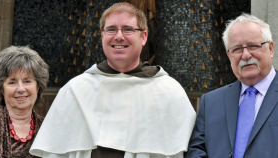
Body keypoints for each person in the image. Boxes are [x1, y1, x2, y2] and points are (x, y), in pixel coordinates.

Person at [30, 2, 196, 158]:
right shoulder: (75, 91)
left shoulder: (169, 92)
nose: (118, 36)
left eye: (128, 29)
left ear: (144, 37)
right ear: (102, 36)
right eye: (111, 30)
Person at [185, 14, 277, 158]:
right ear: (229, 55)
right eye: (237, 49)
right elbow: (196, 150)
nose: (245, 55)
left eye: (253, 46)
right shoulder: (210, 103)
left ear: (271, 48)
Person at [0, 46, 49, 157]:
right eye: (12, 82)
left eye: (27, 81)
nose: (21, 89)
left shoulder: (49, 128)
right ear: (2, 89)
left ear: (38, 87)